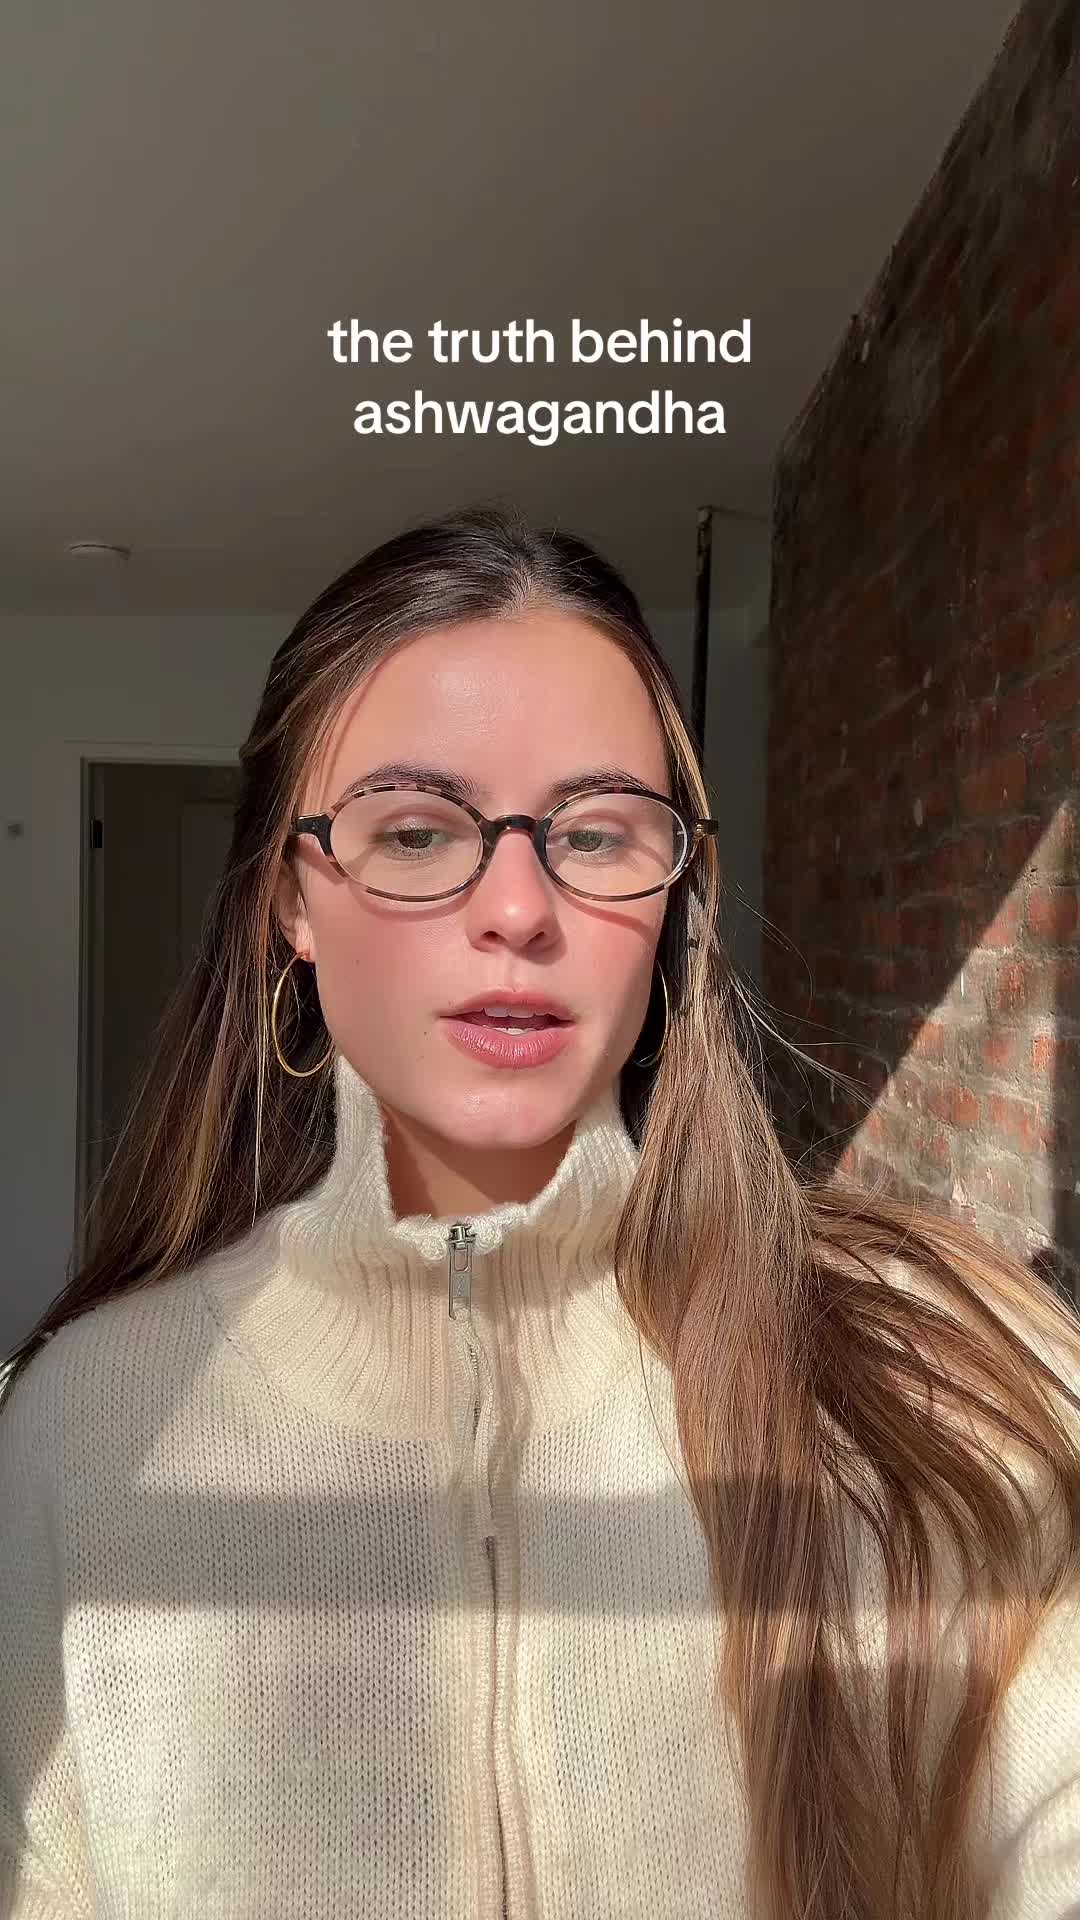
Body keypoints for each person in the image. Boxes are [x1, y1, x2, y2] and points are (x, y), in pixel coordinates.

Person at [2, 503, 1079, 1920]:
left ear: (675, 899)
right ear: (289, 905)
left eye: (595, 832)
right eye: (413, 830)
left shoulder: (943, 1369)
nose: (518, 906)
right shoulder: (82, 1427)